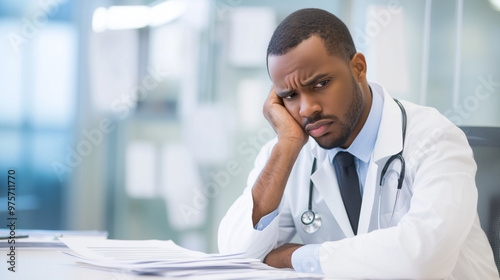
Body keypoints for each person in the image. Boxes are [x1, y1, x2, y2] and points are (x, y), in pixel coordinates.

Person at [218, 8, 499, 279]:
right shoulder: (290, 154)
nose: (306, 109)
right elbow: (236, 256)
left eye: (320, 83)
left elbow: (421, 262)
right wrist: (288, 145)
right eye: (290, 95)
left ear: (358, 68)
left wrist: (295, 257)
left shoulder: (433, 138)